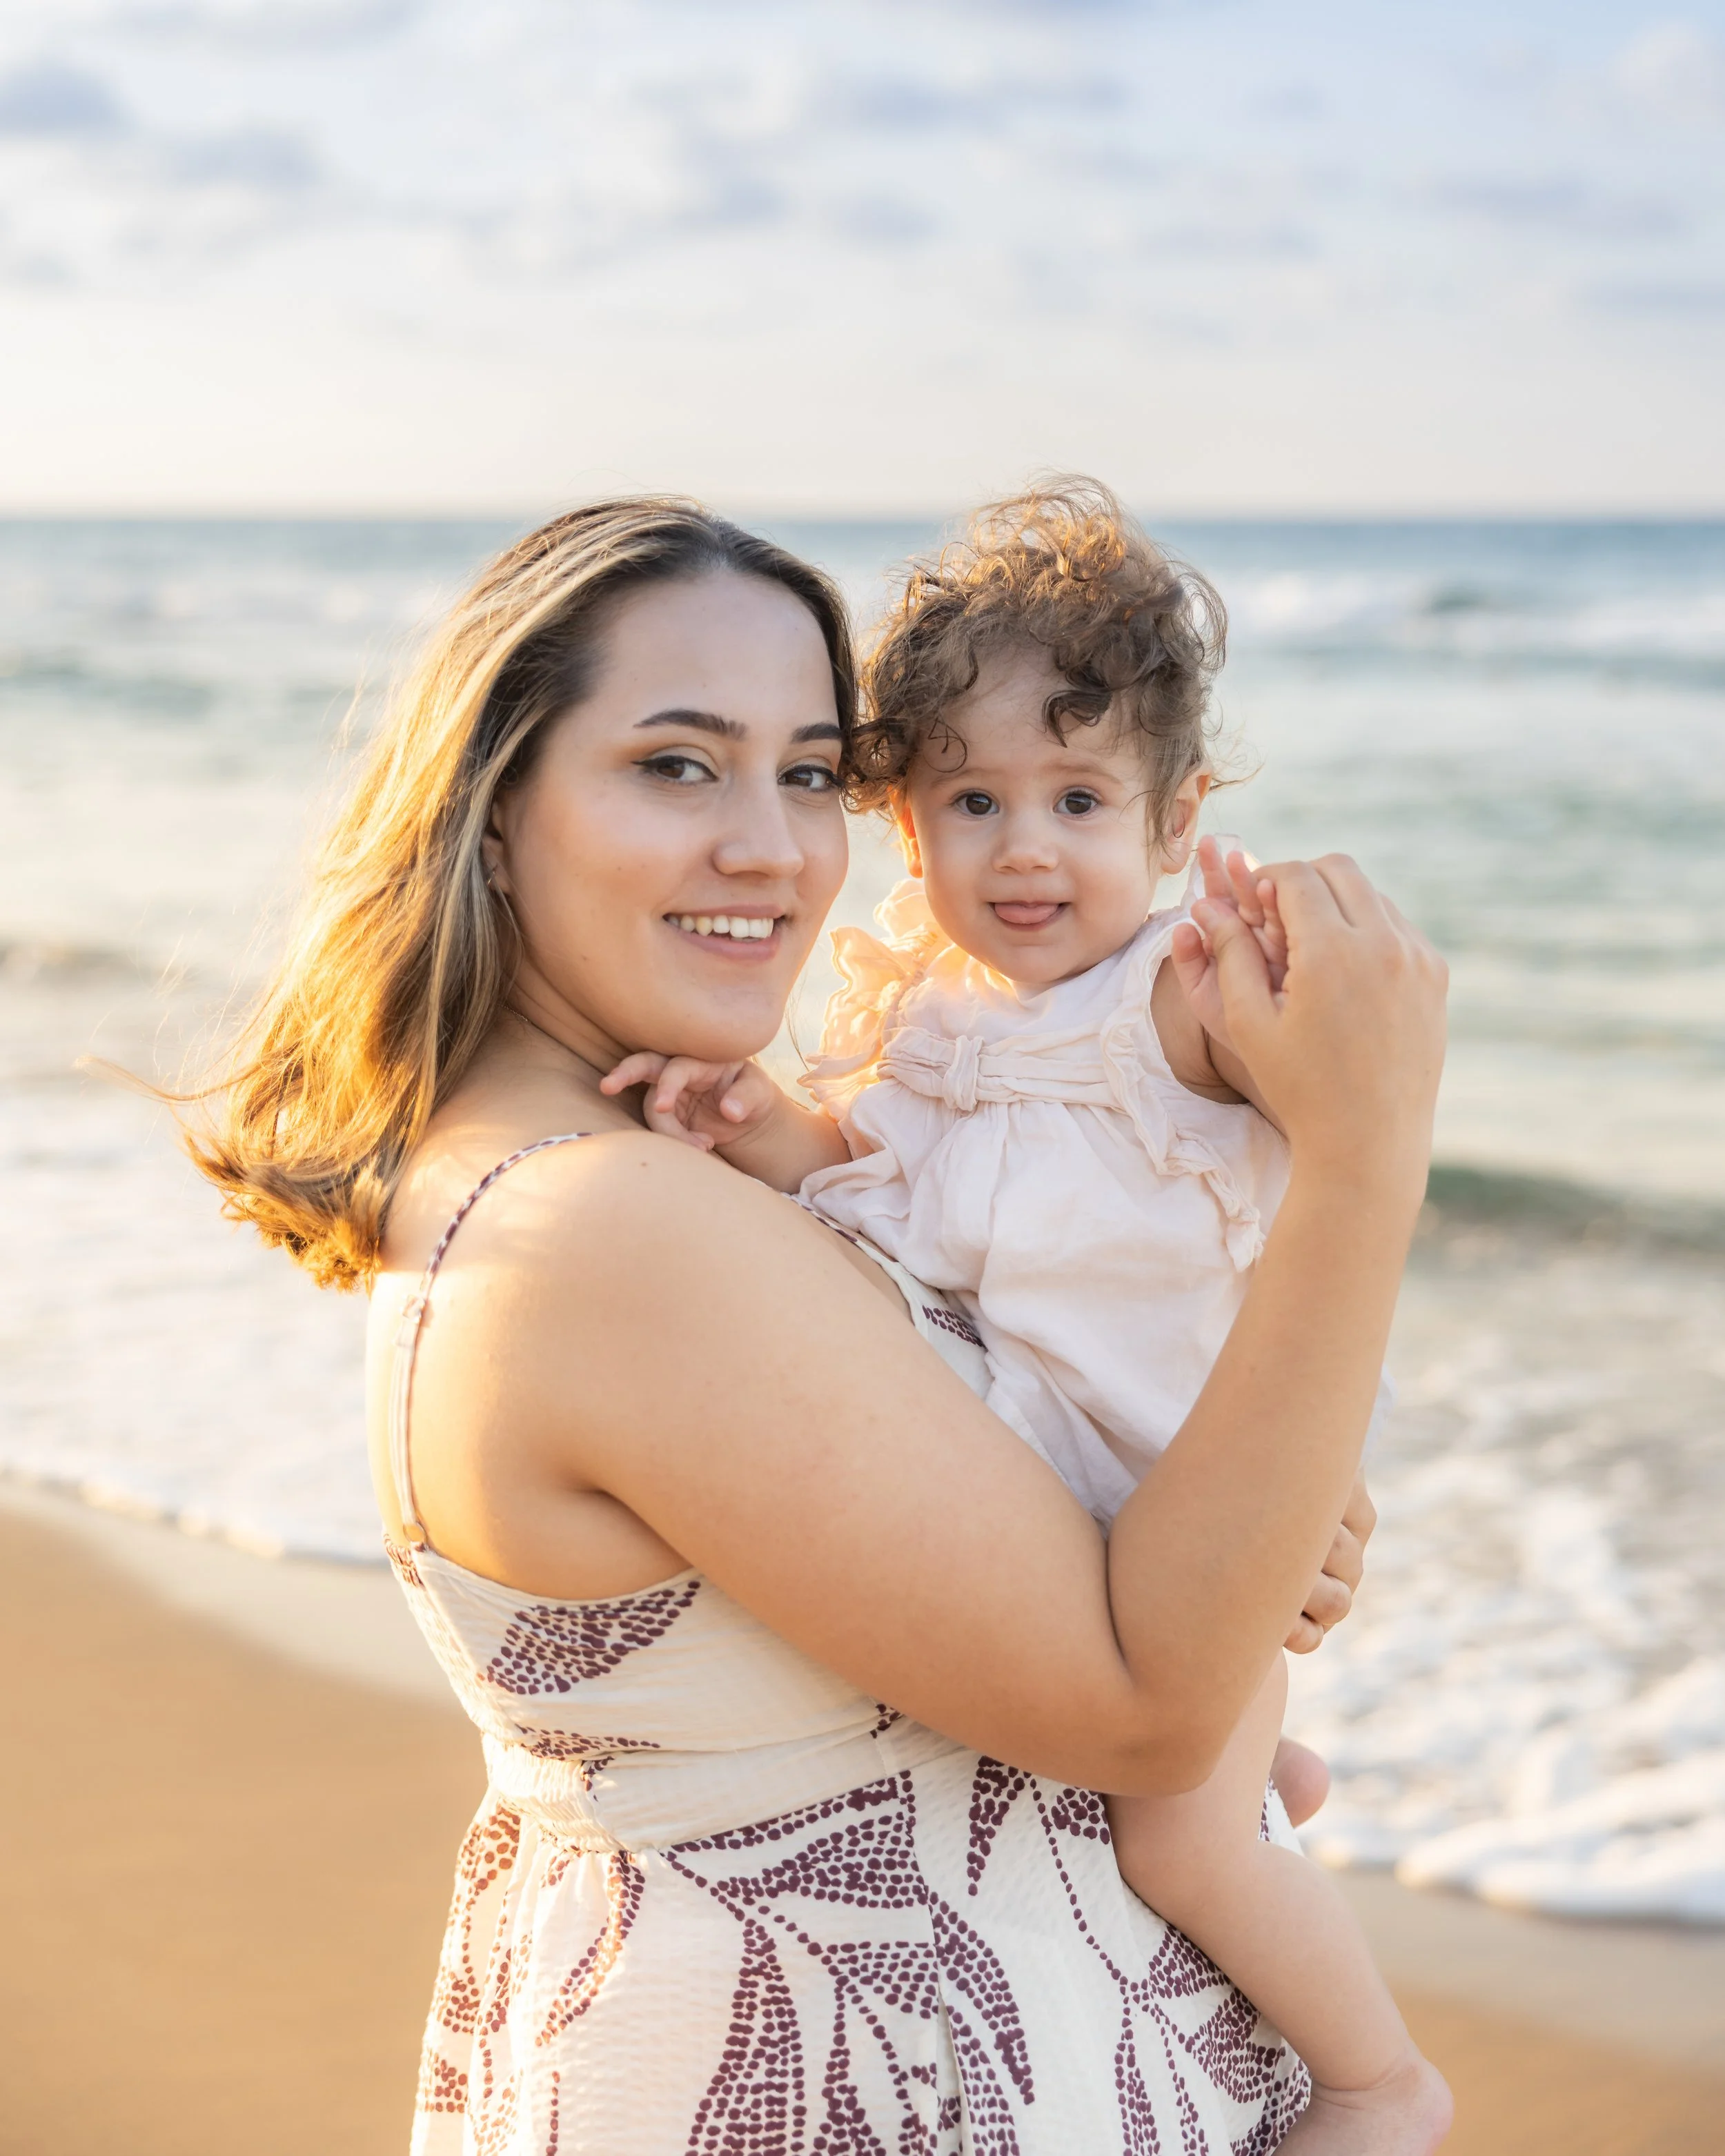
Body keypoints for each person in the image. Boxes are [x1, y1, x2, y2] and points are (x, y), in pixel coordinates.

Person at [186, 495, 1448, 2155]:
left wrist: (1244, 1511)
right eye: (677, 763)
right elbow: (1138, 1701)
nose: (773, 848)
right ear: (495, 813)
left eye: (806, 771)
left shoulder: (624, 1162)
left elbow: (991, 1463)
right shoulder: (608, 1224)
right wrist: (1360, 1158)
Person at [607, 483, 1448, 2153]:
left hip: (1173, 1515)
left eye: (1078, 797)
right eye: (972, 800)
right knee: (1181, 1790)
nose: (1026, 847)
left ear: (1170, 812)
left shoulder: (1171, 1001)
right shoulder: (930, 1019)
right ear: (907, 826)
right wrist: (760, 1126)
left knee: (1174, 1847)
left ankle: (1375, 2076)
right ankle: (1259, 1776)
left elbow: (1305, 1085)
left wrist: (1292, 981)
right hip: (1039, 1507)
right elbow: (883, 1191)